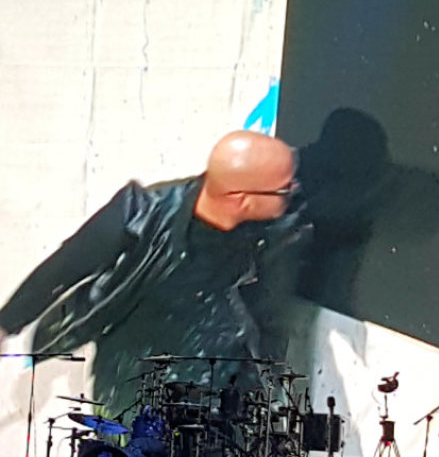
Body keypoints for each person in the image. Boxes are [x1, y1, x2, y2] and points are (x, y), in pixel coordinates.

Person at [0, 130, 306, 415]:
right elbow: (64, 267)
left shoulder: (278, 234)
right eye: (284, 189)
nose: (294, 190)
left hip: (223, 398)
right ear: (242, 199)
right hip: (133, 389)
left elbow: (270, 323)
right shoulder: (140, 214)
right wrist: (5, 324)